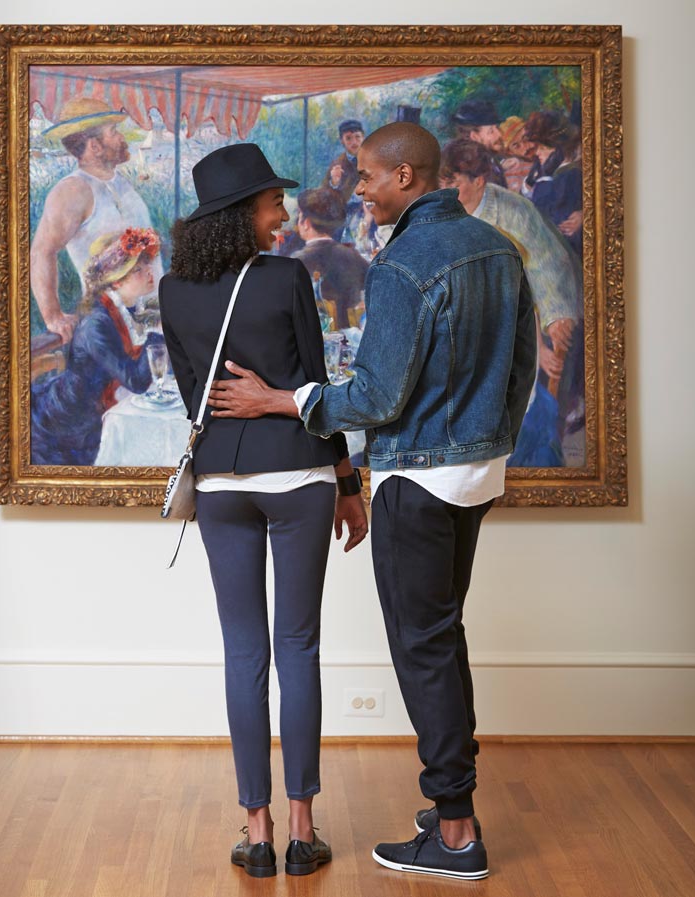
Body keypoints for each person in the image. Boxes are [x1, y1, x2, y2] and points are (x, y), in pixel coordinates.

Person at [207, 123, 537, 881]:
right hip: (476, 477)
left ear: (406, 177)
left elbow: (378, 397)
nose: (358, 189)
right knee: (442, 639)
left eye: (367, 177)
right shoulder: (496, 248)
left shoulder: (401, 263)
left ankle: (456, 833)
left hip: (417, 482)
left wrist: (283, 399)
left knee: (424, 650)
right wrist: (490, 443)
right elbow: (520, 369)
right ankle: (453, 808)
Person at [158, 144, 369, 879]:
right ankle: (303, 831)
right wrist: (347, 480)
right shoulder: (285, 278)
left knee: (244, 652)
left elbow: (193, 395)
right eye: (273, 201)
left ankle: (256, 832)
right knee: (298, 646)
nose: (282, 213)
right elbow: (315, 384)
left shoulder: (173, 290)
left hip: (221, 482)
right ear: (242, 211)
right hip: (299, 474)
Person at [439, 139, 584, 466]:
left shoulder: (513, 212)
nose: (444, 192)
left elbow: (548, 263)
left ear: (479, 181)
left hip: (519, 320)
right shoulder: (442, 211)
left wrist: (556, 315)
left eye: (453, 184)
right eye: (442, 183)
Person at [30, 97, 163, 343]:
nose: (121, 138)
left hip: (153, 320)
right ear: (94, 146)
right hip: (112, 327)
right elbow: (41, 251)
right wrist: (53, 316)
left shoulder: (120, 182)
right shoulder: (73, 190)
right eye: (113, 132)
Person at [30, 227, 162, 465]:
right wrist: (157, 332)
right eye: (138, 270)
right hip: (64, 427)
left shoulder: (127, 310)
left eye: (147, 265)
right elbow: (136, 381)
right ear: (117, 280)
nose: (149, 272)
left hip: (95, 414)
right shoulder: (96, 323)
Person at [292, 188, 369, 328]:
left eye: (299, 215)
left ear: (306, 223)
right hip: (351, 334)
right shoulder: (353, 256)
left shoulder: (297, 262)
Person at [523, 110, 584, 258]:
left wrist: (543, 179)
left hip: (567, 253)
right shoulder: (546, 169)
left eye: (543, 148)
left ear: (559, 149)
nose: (537, 153)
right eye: (537, 147)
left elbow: (544, 216)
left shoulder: (569, 176)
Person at [451, 100, 507, 187]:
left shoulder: (490, 160)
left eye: (497, 128)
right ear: (474, 136)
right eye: (491, 131)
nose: (499, 134)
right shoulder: (472, 171)